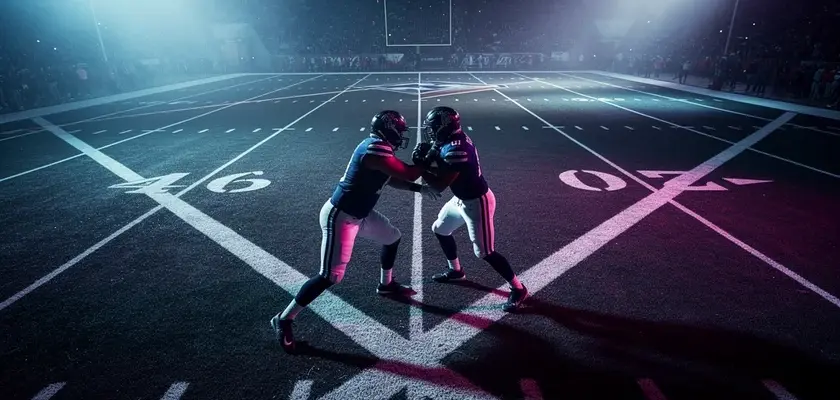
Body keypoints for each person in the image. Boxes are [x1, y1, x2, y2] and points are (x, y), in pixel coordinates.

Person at [271, 110, 441, 354]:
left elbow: (390, 178)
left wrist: (419, 189)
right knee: (330, 276)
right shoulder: (375, 148)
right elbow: (407, 172)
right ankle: (284, 319)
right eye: (399, 131)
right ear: (389, 130)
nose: (402, 137)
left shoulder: (378, 147)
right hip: (341, 216)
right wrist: (426, 161)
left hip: (359, 214)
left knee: (392, 236)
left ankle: (386, 284)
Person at [412, 106, 528, 312]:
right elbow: (438, 157)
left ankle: (518, 288)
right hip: (462, 198)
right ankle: (456, 270)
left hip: (477, 202)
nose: (431, 131)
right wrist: (428, 159)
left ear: (444, 127)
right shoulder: (451, 139)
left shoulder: (457, 148)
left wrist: (422, 167)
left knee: (485, 252)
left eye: (434, 127)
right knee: (440, 228)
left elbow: (439, 186)